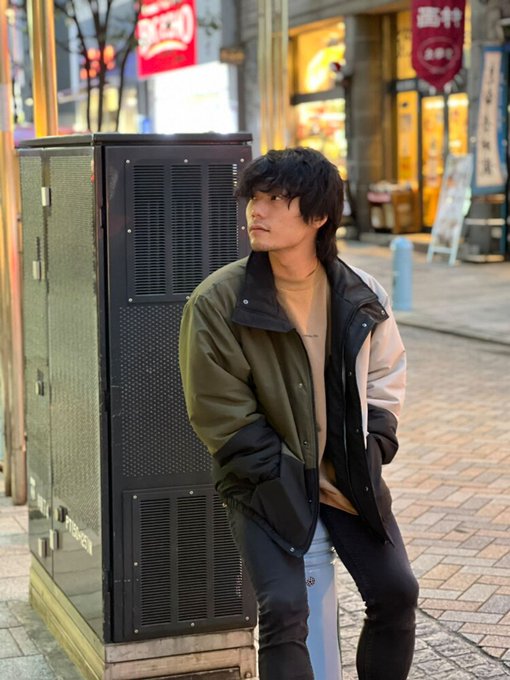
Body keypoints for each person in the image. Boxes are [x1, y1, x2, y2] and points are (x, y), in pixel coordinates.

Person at [179, 147, 419, 680]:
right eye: (254, 199)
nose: (256, 212)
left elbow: (385, 374)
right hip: (265, 482)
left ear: (318, 216)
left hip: (347, 478)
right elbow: (218, 410)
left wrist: (373, 444)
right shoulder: (219, 301)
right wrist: (278, 474)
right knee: (285, 610)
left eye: (274, 200)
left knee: (397, 593)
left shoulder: (360, 293)